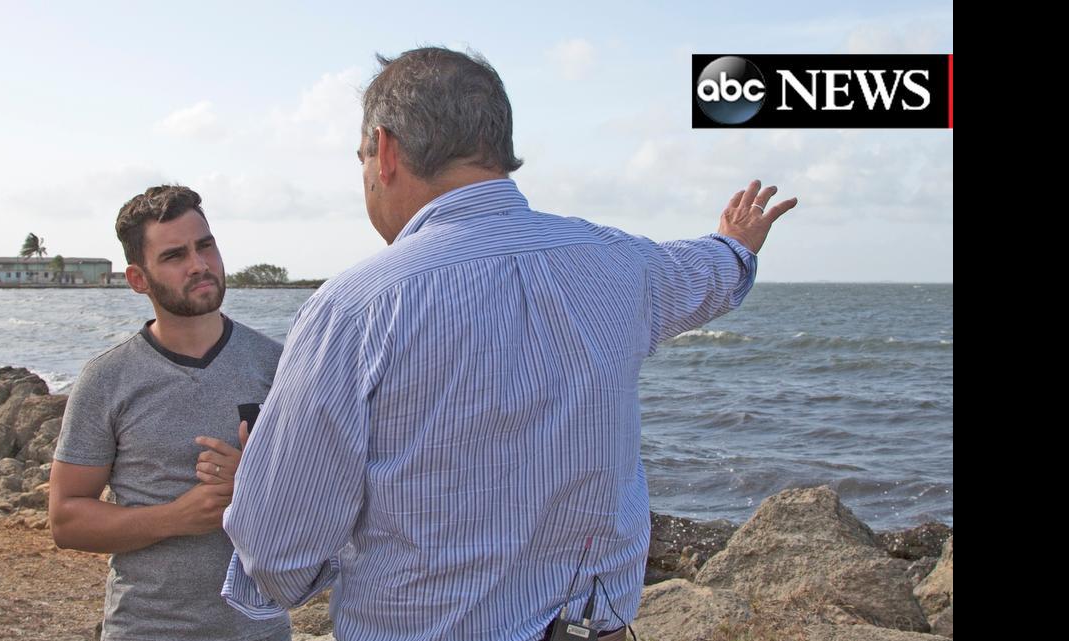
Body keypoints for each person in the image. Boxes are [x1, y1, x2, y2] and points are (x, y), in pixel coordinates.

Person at [222, 47, 797, 641]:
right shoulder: (621, 266)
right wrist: (736, 243)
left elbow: (278, 555)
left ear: (386, 150)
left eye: (363, 158)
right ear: (495, 144)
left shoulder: (355, 308)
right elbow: (707, 275)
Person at [48, 185, 291, 641]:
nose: (199, 265)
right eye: (175, 255)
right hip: (146, 627)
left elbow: (325, 496)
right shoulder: (107, 379)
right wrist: (177, 517)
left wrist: (255, 485)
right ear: (138, 279)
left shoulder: (278, 365)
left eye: (205, 245)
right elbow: (66, 519)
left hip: (261, 629)